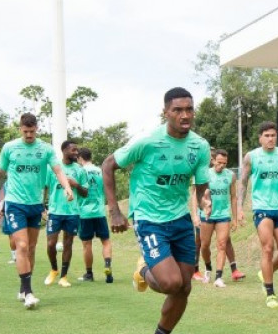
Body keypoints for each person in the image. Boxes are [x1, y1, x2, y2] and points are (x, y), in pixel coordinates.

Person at [102, 87, 211, 334]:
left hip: (181, 219)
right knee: (171, 283)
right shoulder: (147, 140)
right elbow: (108, 165)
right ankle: (143, 269)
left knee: (184, 288)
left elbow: (202, 185)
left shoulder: (200, 146)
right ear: (166, 113)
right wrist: (115, 211)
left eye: (189, 109)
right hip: (149, 218)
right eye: (178, 110)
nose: (185, 115)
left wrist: (205, 200)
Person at [0, 113, 75, 309]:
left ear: (37, 128)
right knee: (21, 245)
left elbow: (58, 170)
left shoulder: (45, 149)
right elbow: (0, 175)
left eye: (32, 131)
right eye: (25, 131)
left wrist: (67, 187)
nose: (29, 135)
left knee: (30, 248)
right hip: (14, 203)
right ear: (20, 128)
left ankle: (23, 287)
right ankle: (29, 292)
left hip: (35, 204)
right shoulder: (10, 148)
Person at [236, 121, 278, 308]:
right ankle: (270, 293)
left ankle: (265, 272)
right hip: (261, 208)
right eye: (267, 135)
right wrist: (239, 208)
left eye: (273, 135)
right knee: (267, 248)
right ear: (260, 138)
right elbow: (242, 182)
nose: (270, 138)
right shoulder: (252, 157)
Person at [194, 149, 242, 287]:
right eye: (219, 162)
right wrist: (196, 215)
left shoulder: (231, 176)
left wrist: (234, 218)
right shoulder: (205, 175)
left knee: (222, 245)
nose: (221, 165)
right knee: (204, 246)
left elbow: (233, 197)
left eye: (224, 163)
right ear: (213, 160)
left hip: (223, 215)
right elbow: (195, 195)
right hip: (206, 215)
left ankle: (218, 277)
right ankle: (208, 268)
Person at [45, 140, 88, 287]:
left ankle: (63, 276)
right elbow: (45, 187)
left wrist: (76, 185)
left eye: (77, 150)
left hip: (72, 212)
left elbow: (85, 193)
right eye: (73, 150)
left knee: (68, 243)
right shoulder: (53, 168)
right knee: (51, 243)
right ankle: (54, 270)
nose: (76, 153)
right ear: (64, 151)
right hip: (55, 212)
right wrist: (43, 206)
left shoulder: (80, 170)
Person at [75, 147, 113, 283]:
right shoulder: (100, 171)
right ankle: (108, 266)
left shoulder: (80, 171)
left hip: (85, 213)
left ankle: (89, 274)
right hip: (100, 211)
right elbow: (106, 189)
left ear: (80, 158)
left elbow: (77, 189)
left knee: (87, 244)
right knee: (106, 242)